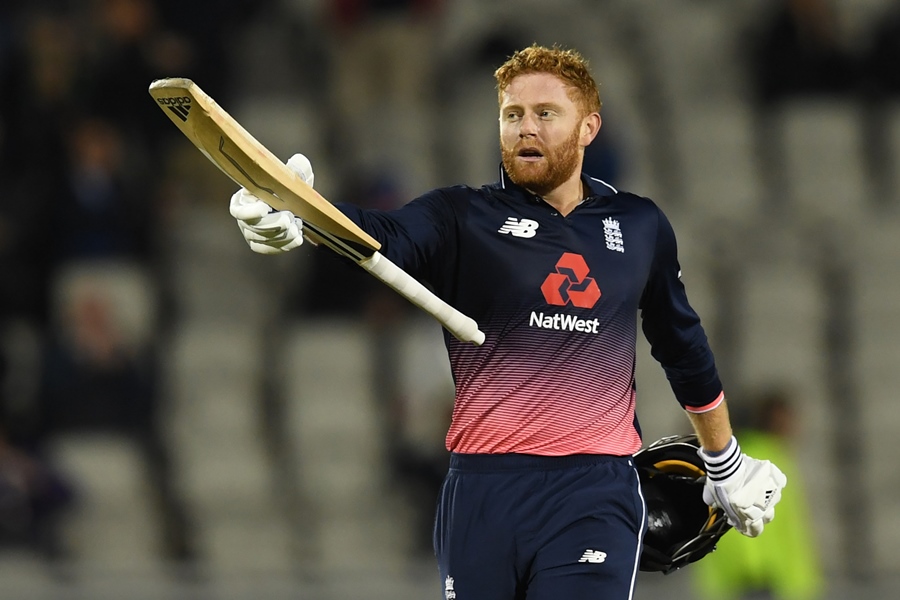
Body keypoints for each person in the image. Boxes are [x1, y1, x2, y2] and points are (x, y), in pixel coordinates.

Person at [227, 44, 787, 599]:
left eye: (546, 114)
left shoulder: (639, 225)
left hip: (594, 489)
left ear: (588, 127)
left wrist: (724, 461)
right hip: (482, 490)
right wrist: (297, 215)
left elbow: (681, 343)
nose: (526, 128)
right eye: (512, 115)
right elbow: (383, 236)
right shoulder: (461, 216)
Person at [692, 389, 823, 600]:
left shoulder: (764, 454)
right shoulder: (764, 459)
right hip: (764, 582)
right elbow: (745, 519)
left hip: (747, 581)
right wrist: (756, 574)